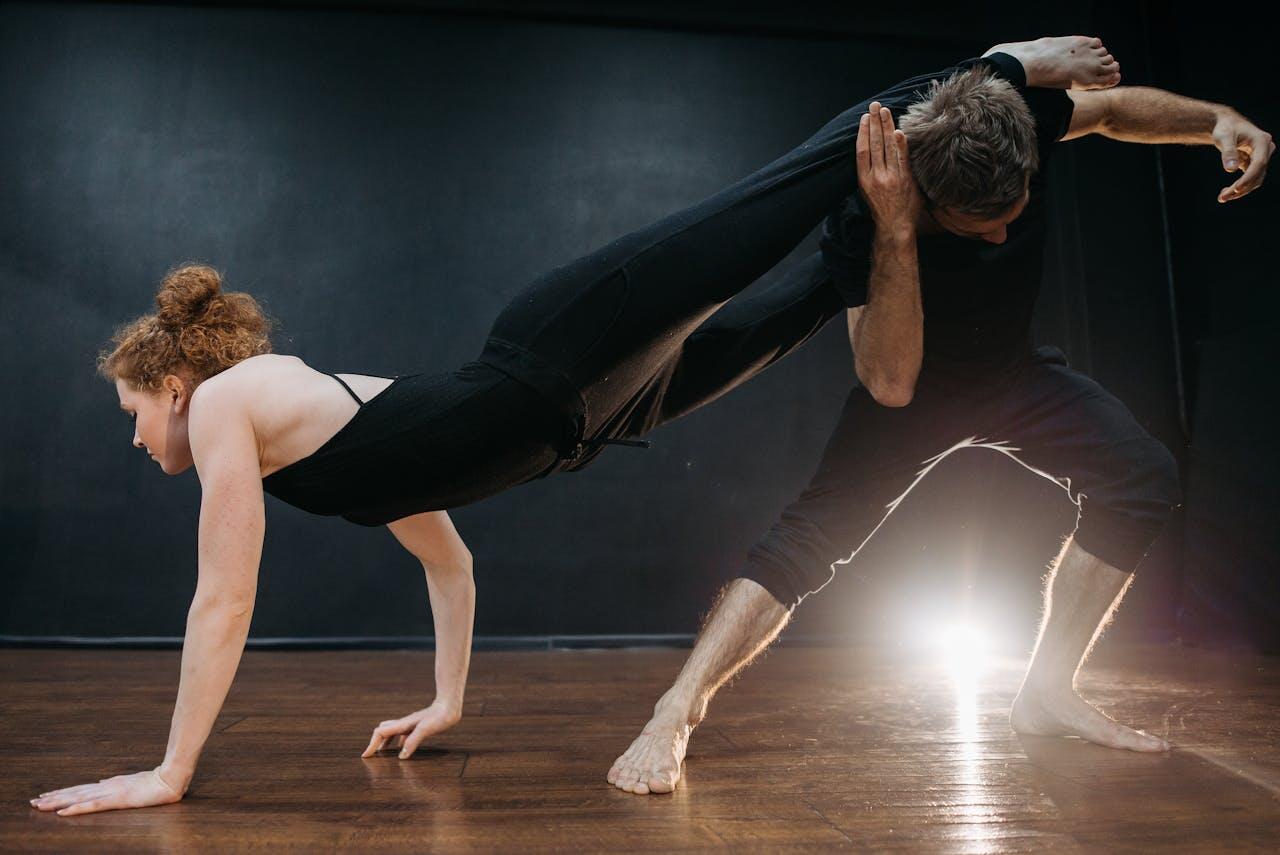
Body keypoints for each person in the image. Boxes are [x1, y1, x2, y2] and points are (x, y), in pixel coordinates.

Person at [34, 37, 1121, 816]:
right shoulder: (308, 459)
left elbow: (222, 598)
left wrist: (170, 774)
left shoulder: (228, 402)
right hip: (593, 418)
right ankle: (930, 172)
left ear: (171, 382)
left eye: (132, 411)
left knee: (768, 203)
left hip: (551, 351)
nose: (135, 439)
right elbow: (449, 560)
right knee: (817, 283)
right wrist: (444, 701)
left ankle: (993, 70)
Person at [606, 42, 1274, 796]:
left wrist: (1217, 120)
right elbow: (889, 382)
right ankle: (675, 710)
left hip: (1015, 377)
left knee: (1144, 475)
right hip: (914, 393)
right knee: (803, 543)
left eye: (1010, 218)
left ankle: (1048, 691)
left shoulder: (1017, 124)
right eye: (975, 228)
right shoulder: (867, 214)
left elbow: (1115, 110)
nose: (998, 239)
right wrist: (896, 232)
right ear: (925, 195)